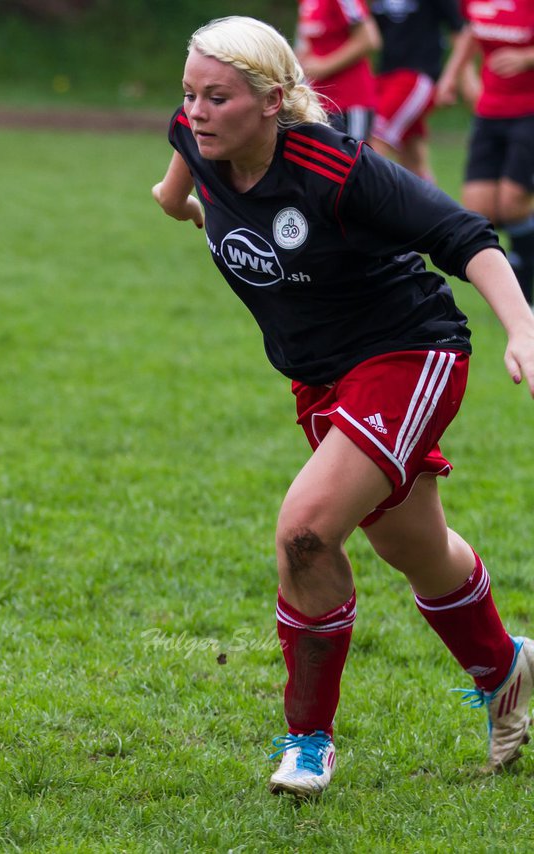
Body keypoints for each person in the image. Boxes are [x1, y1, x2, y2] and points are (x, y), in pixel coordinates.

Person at [152, 15, 534, 796]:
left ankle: (307, 741)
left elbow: (465, 235)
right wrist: (182, 208)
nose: (196, 111)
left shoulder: (336, 168)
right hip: (319, 377)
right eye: (189, 93)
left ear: (273, 99)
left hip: (410, 352)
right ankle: (508, 670)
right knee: (414, 548)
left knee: (305, 534)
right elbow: (172, 189)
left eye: (217, 97)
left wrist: (523, 325)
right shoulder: (197, 138)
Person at [437, 0, 534, 304]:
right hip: (489, 113)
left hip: (529, 113)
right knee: (480, 211)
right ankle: (524, 248)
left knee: (512, 204)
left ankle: (524, 292)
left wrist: (526, 57)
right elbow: (470, 32)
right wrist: (451, 74)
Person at [369, 0, 467, 183]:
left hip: (416, 77)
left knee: (372, 143)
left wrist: (451, 78)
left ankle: (355, 208)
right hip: (384, 77)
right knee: (413, 160)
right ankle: (435, 210)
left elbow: (462, 34)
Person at [296, 0, 382, 139]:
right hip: (319, 102)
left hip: (351, 101)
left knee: (351, 158)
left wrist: (324, 66)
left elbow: (369, 39)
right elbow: (307, 44)